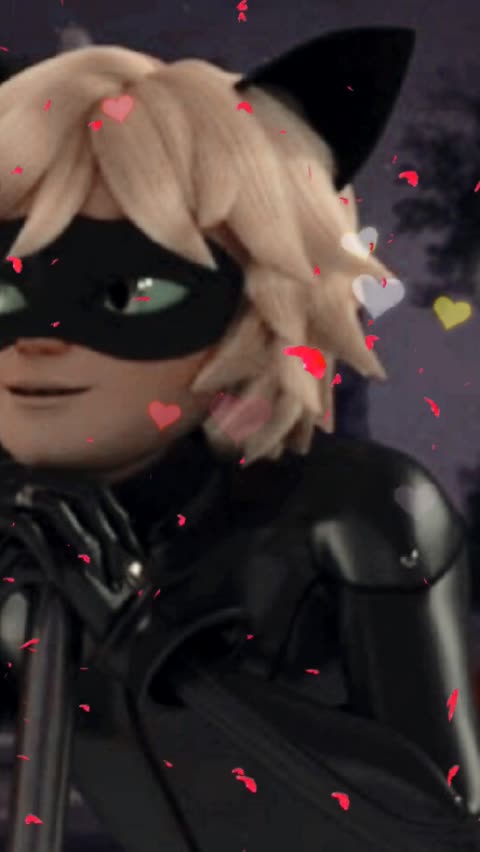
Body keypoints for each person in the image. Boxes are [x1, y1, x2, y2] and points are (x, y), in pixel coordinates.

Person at [0, 25, 479, 852]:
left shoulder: (356, 513)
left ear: (260, 308)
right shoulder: (32, 526)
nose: (39, 343)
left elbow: (437, 825)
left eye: (128, 292)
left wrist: (145, 641)